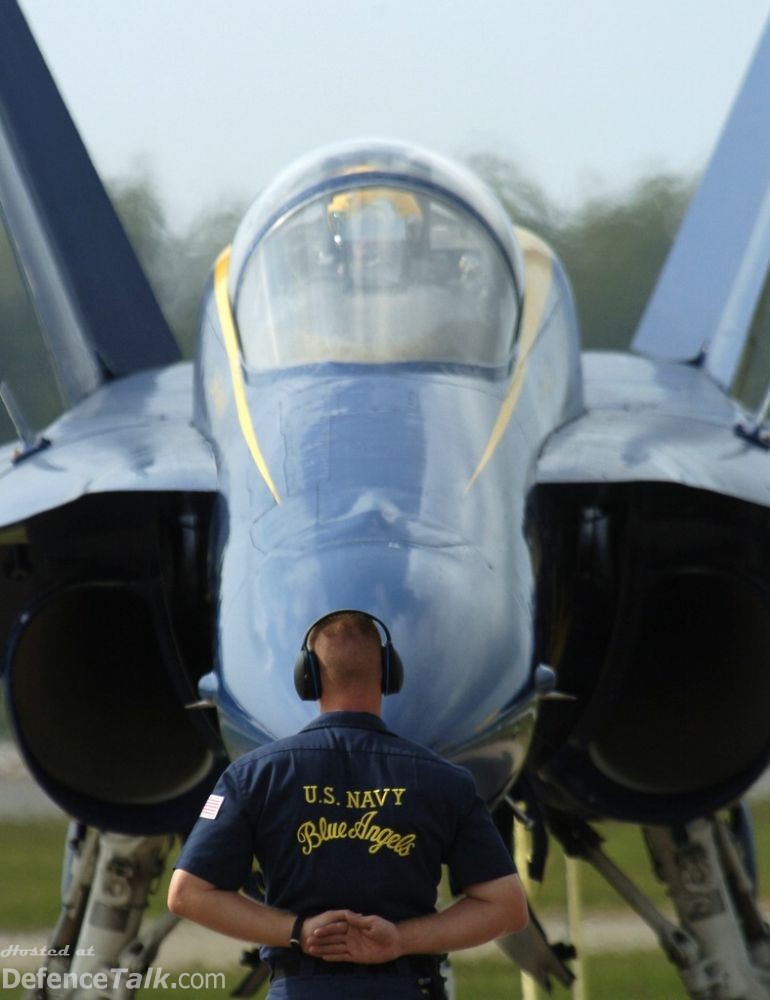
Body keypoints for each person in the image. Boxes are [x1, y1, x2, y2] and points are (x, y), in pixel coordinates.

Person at [168, 610, 528, 998]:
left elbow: (187, 894)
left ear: (307, 678)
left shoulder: (252, 776)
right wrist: (400, 940)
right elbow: (507, 907)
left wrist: (299, 932)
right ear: (390, 675)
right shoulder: (446, 781)